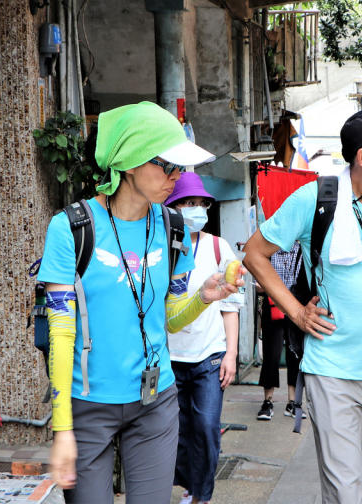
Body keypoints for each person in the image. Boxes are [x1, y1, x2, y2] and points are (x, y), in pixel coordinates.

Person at [39, 102, 242, 504]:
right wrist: (62, 431)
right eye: (168, 166)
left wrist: (204, 297)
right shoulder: (71, 229)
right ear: (130, 163)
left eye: (180, 167)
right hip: (89, 405)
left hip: (156, 401)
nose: (177, 178)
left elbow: (168, 319)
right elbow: (62, 334)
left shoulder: (174, 228)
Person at [243, 106, 362, 504]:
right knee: (345, 494)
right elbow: (254, 254)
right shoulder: (316, 199)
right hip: (331, 368)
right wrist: (297, 312)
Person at [165, 172, 241, 504]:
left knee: (208, 427)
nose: (196, 209)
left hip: (210, 356)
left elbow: (231, 304)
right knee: (179, 431)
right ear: (173, 206)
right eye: (188, 203)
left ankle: (202, 495)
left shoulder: (217, 245)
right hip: (170, 357)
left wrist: (231, 354)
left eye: (200, 203)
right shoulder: (162, 245)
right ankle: (190, 487)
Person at [256, 242, 304, 421]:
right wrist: (262, 286)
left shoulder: (301, 249)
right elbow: (258, 284)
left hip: (295, 308)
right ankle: (267, 401)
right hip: (272, 306)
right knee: (271, 355)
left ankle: (293, 402)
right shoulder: (269, 250)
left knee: (295, 354)